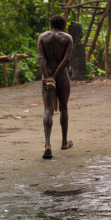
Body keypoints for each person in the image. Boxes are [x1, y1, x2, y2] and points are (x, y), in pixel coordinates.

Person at [37, 15, 74, 159]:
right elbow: (66, 59)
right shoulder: (67, 38)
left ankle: (47, 145)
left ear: (51, 24)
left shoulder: (42, 37)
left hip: (47, 72)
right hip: (62, 75)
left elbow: (41, 58)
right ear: (63, 25)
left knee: (48, 109)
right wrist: (56, 76)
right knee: (63, 107)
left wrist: (47, 76)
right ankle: (64, 142)